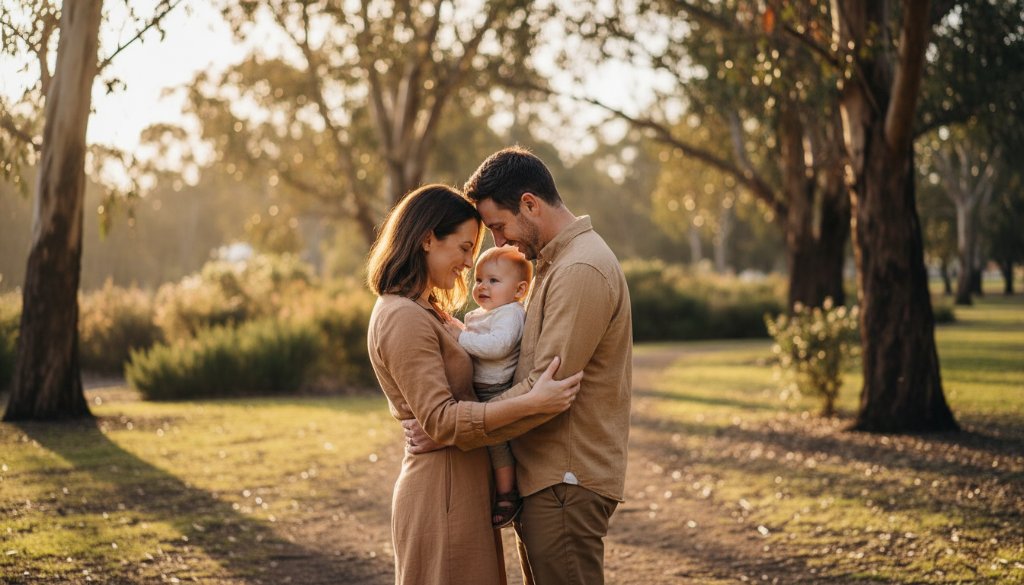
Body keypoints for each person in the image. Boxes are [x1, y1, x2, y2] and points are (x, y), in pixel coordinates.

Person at [404, 147, 633, 585]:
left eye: (497, 227)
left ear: (529, 204)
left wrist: (452, 430)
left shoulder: (580, 268)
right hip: (548, 478)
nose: (499, 244)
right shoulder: (555, 263)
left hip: (566, 478)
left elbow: (545, 390)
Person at [365, 183, 584, 585]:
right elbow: (441, 421)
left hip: (460, 487)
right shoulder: (402, 316)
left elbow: (447, 415)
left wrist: (452, 430)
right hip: (441, 494)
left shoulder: (430, 311)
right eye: (465, 248)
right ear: (428, 239)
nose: (470, 263)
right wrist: (532, 402)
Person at [447, 245, 533, 527]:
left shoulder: (511, 314)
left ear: (519, 291)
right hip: (477, 388)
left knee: (497, 443)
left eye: (494, 281)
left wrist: (460, 338)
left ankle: (508, 493)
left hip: (495, 389)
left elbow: (498, 346)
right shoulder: (484, 313)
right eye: (479, 279)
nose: (482, 286)